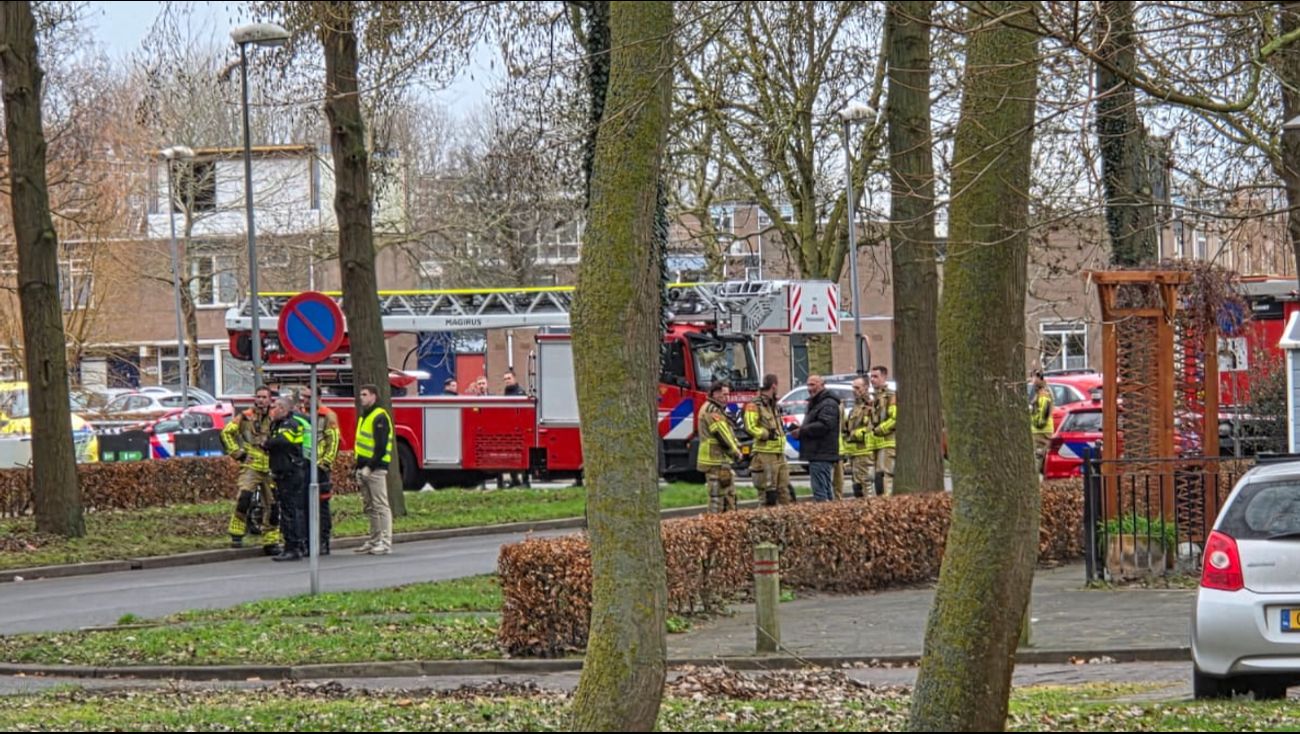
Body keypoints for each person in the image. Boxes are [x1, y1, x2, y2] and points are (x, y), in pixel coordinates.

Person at [221, 385, 281, 553]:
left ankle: (271, 541)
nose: (260, 400)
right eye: (258, 397)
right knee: (244, 497)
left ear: (270, 400)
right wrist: (238, 454)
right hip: (251, 464)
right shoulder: (246, 417)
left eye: (264, 397)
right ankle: (237, 533)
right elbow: (226, 433)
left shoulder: (276, 417)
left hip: (271, 465)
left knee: (273, 504)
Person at [264, 395, 313, 562]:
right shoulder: (278, 424)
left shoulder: (290, 424)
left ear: (283, 409)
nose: (271, 410)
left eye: (275, 407)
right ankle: (296, 545)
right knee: (289, 510)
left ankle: (293, 547)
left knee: (290, 511)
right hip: (284, 471)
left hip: (290, 472)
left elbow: (282, 442)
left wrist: (267, 443)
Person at [297, 387, 340, 555]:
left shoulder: (327, 415)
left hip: (320, 467)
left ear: (318, 397)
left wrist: (325, 463)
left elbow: (334, 440)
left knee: (321, 506)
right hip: (303, 466)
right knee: (304, 505)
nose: (304, 401)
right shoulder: (300, 415)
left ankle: (323, 541)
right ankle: (307, 541)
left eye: (308, 397)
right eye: (303, 397)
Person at [353, 383, 394, 555]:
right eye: (360, 394)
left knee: (380, 505)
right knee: (370, 507)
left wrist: (369, 467)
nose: (361, 397)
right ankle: (375, 539)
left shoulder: (379, 417)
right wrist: (358, 467)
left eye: (364, 394)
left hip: (375, 469)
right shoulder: (365, 416)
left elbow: (381, 447)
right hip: (365, 468)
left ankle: (385, 542)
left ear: (373, 396)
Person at [745, 374, 793, 506]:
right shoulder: (754, 405)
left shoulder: (774, 405)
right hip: (764, 455)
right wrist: (766, 434)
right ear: (774, 386)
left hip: (779, 454)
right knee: (768, 496)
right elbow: (750, 427)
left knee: (784, 493)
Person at [696, 380, 744, 513]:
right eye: (724, 394)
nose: (727, 398)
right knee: (717, 501)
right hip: (714, 461)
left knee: (728, 499)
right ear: (715, 393)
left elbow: (728, 432)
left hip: (720, 461)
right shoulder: (712, 410)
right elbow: (722, 435)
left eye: (728, 395)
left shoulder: (718, 410)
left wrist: (737, 444)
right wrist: (736, 452)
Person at [792, 375, 841, 502]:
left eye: (813, 384)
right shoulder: (817, 403)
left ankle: (824, 518)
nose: (809, 388)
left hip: (821, 453)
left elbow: (824, 425)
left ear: (822, 385)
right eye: (808, 385)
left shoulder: (828, 403)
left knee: (820, 493)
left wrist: (802, 431)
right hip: (818, 453)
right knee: (825, 491)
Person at [842, 376, 875, 498]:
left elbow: (870, 428)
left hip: (865, 453)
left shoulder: (870, 407)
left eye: (857, 387)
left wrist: (853, 434)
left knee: (866, 485)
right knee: (857, 486)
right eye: (853, 387)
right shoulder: (855, 408)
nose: (854, 390)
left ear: (866, 388)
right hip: (854, 454)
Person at [867, 366, 897, 496]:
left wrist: (880, 429)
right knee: (877, 478)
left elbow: (895, 418)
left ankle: (886, 505)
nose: (872, 380)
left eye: (875, 377)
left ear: (884, 377)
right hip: (876, 443)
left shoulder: (890, 396)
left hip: (887, 442)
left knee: (886, 477)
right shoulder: (874, 398)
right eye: (871, 377)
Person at [1031, 371, 1055, 474]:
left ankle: (1037, 478)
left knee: (1039, 455)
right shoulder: (1039, 391)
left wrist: (1037, 423)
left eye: (1033, 378)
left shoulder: (1044, 392)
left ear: (1039, 378)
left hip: (1041, 429)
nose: (1032, 380)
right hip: (1040, 429)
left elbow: (1044, 413)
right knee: (1041, 455)